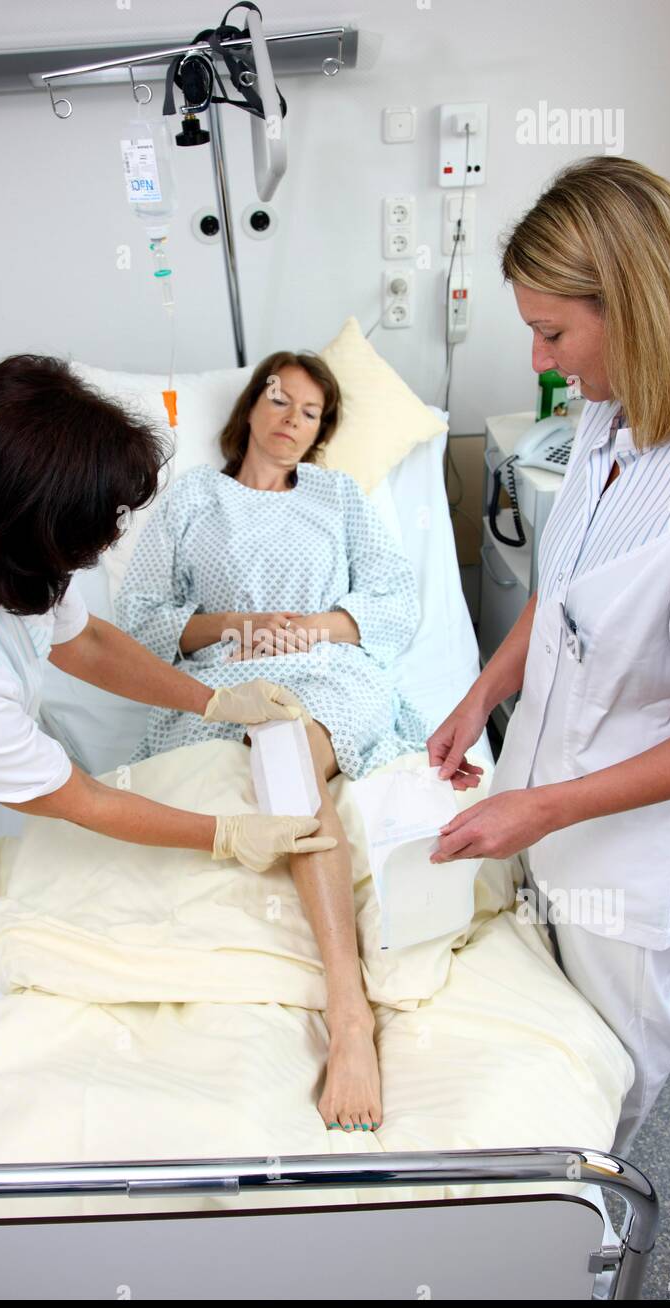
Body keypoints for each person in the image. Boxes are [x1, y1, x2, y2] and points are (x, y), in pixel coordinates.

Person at [0, 355, 334, 1107]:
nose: (103, 552)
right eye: (91, 538)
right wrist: (227, 835)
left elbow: (87, 641)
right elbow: (77, 798)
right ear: (33, 532)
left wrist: (213, 702)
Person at [427, 157, 670, 1156]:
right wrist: (479, 695)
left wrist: (536, 806)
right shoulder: (602, 413)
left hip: (622, 856)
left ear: (633, 306)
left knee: (606, 1079)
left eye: (555, 332)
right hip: (544, 791)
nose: (545, 358)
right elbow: (565, 590)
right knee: (545, 1034)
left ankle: (594, 1240)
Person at [115, 351, 431, 1134]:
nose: (292, 420)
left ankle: (348, 1011)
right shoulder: (192, 499)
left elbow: (395, 597)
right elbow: (141, 620)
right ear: (251, 408)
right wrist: (236, 627)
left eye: (311, 413)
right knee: (268, 744)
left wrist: (318, 625)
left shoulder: (337, 497)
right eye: (279, 400)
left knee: (289, 751)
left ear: (322, 433)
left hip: (330, 671)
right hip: (228, 678)